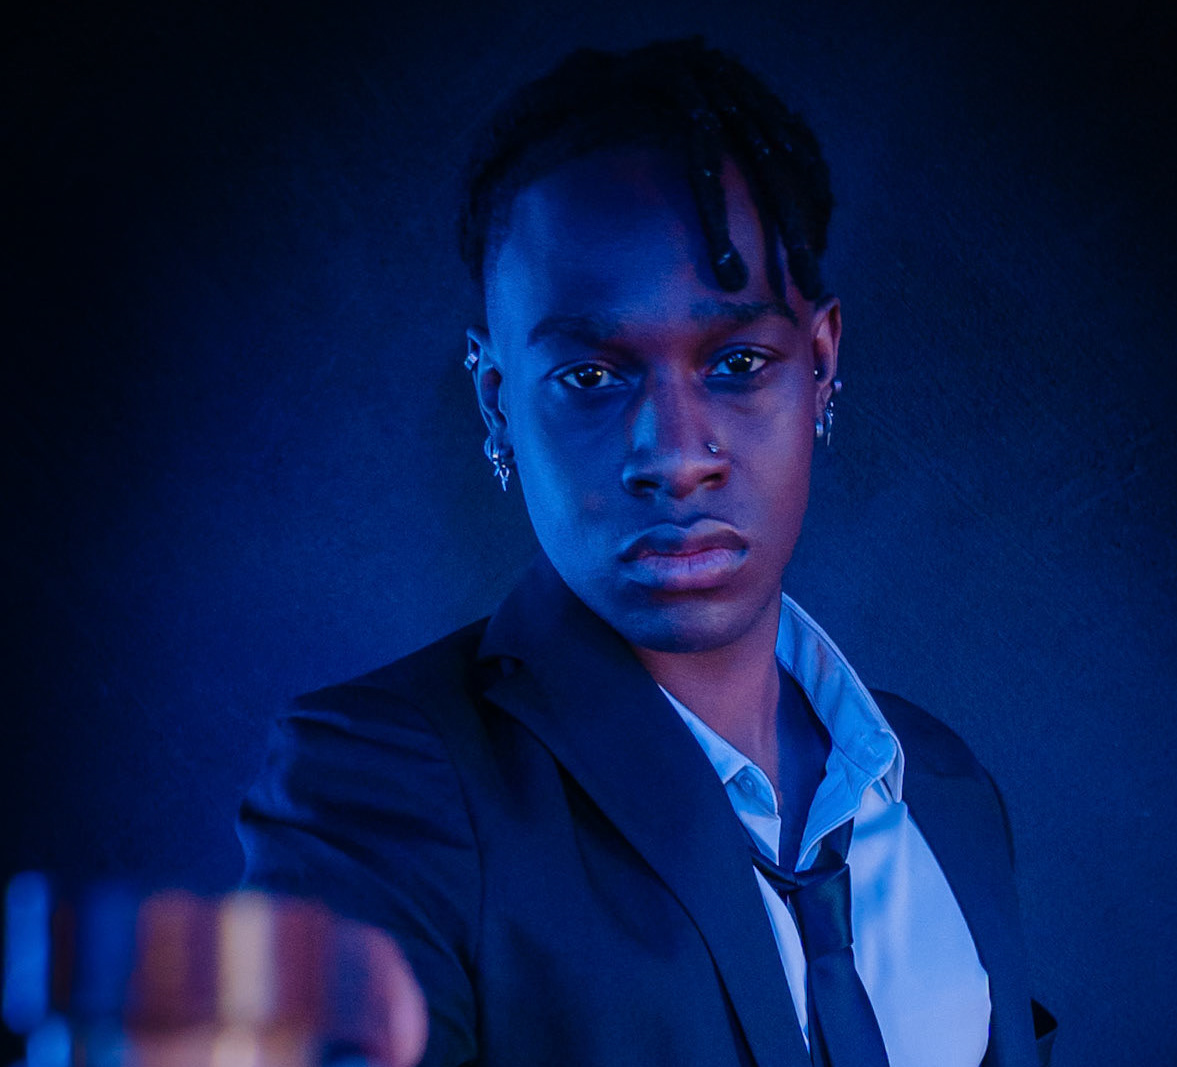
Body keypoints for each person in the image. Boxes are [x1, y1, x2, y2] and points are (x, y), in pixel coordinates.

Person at [238, 37, 1055, 1067]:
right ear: (496, 400)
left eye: (739, 360)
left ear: (820, 363)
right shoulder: (383, 788)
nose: (673, 454)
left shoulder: (943, 785)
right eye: (591, 376)